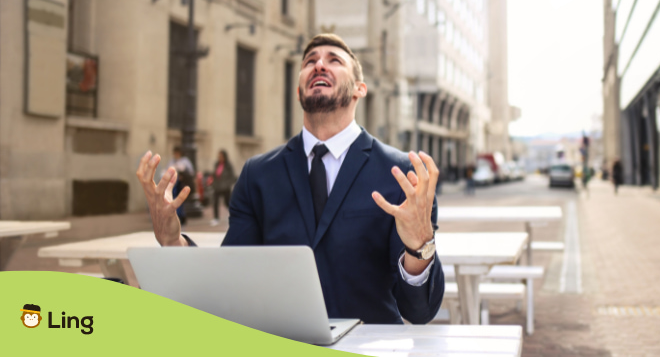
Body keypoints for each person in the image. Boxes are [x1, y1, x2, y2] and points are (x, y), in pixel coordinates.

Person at [136, 34, 444, 324]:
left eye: (334, 60)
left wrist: (420, 246)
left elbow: (419, 310)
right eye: (310, 61)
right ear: (298, 91)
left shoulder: (403, 175)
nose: (319, 64)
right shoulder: (257, 175)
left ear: (359, 89)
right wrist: (172, 242)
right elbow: (230, 281)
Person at [164, 146, 195, 225]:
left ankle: (181, 215)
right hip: (174, 184)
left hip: (181, 183)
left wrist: (182, 175)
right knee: (173, 199)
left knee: (180, 199)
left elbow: (190, 172)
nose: (176, 155)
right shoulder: (172, 161)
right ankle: (175, 215)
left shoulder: (185, 161)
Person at [210, 149, 237, 226]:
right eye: (219, 156)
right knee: (215, 202)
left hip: (225, 188)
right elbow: (214, 175)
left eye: (221, 156)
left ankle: (234, 216)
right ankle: (216, 218)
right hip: (217, 187)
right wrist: (213, 184)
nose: (219, 157)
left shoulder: (228, 165)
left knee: (227, 203)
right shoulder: (217, 164)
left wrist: (227, 185)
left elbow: (232, 177)